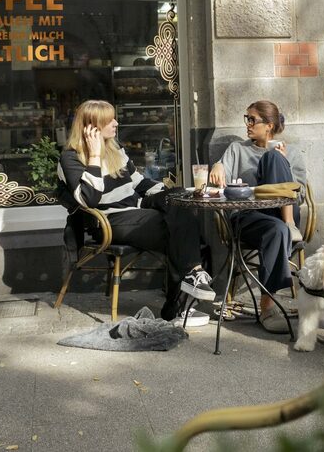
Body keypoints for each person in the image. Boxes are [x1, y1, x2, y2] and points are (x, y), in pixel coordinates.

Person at [58, 100, 214, 327]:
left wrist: (172, 194)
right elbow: (88, 198)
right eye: (109, 120)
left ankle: (189, 284)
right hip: (110, 221)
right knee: (178, 232)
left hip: (137, 210)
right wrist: (93, 156)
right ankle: (179, 306)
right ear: (92, 127)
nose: (116, 123)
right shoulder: (70, 158)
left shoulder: (115, 149)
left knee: (179, 203)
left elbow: (139, 183)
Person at [208, 100, 306, 334]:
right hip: (249, 218)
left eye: (253, 120)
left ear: (269, 126)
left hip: (283, 211)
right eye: (247, 119)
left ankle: (288, 221)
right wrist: (218, 165)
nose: (248, 124)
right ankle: (268, 309)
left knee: (274, 159)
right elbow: (221, 185)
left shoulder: (290, 152)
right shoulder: (237, 149)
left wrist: (284, 165)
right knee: (278, 230)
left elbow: (299, 194)